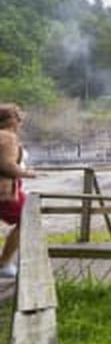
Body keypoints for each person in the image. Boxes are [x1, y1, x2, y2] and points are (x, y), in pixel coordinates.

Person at [0, 104, 35, 279]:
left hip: (8, 190)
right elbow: (6, 165)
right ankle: (4, 263)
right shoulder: (8, 137)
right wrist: (29, 174)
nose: (21, 123)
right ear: (11, 120)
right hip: (3, 192)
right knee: (28, 218)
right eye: (19, 118)